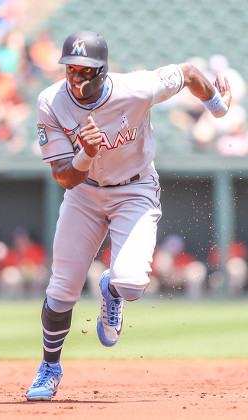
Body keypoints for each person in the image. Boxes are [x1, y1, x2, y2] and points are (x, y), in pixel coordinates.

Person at [25, 30, 231, 401]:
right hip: (83, 194)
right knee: (62, 289)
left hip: (135, 190)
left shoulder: (136, 88)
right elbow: (63, 176)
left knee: (132, 284)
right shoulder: (50, 101)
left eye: (85, 70)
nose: (75, 77)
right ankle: (49, 367)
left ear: (102, 71)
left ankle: (113, 290)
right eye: (71, 68)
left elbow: (187, 73)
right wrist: (85, 154)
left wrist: (217, 105)